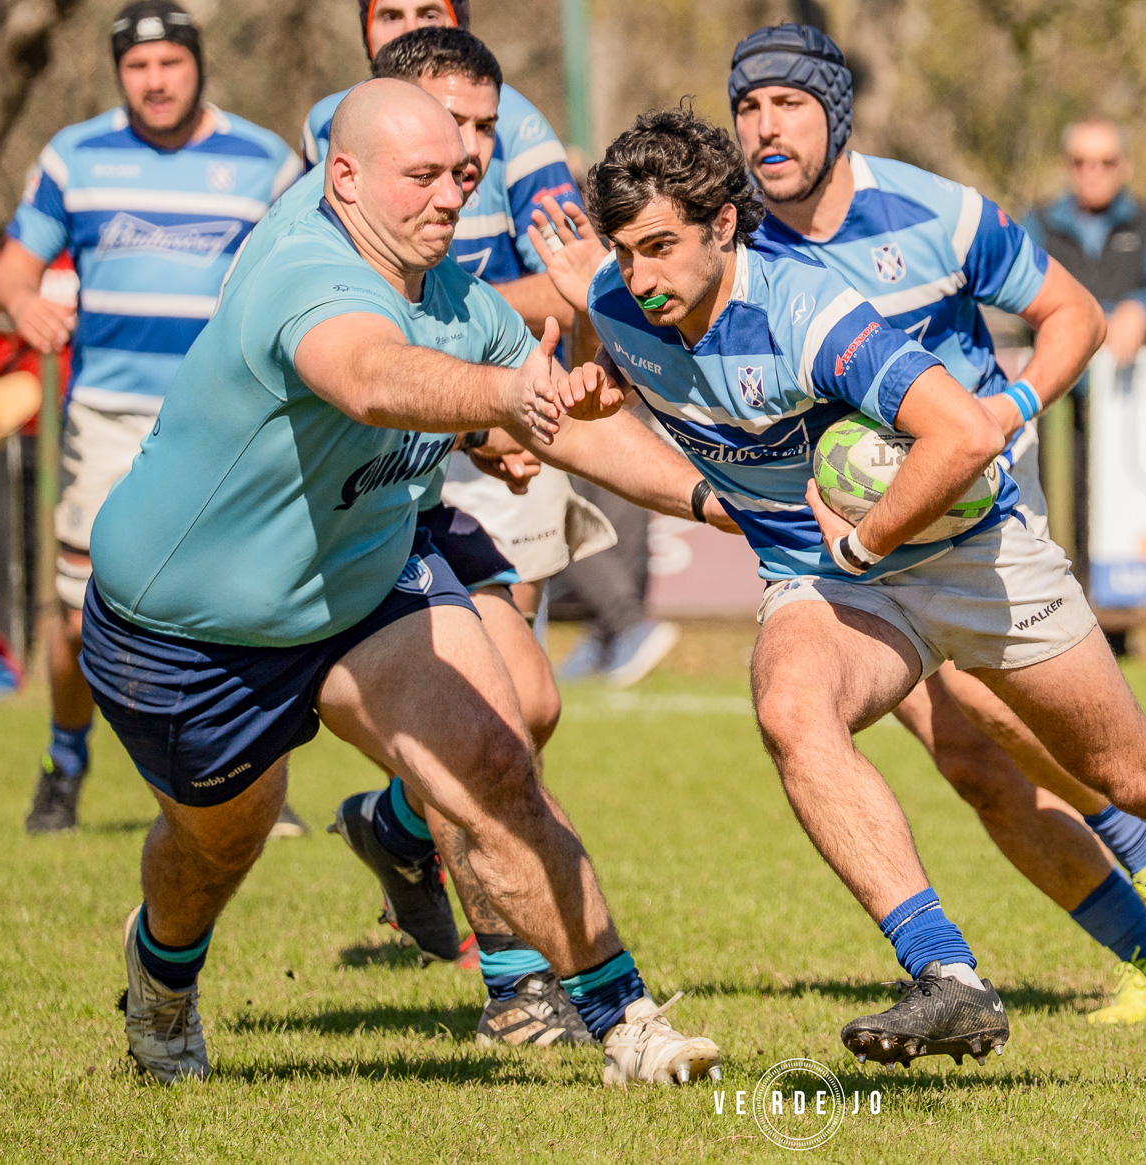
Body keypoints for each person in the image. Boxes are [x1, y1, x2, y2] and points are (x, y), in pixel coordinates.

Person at [534, 105, 1146, 1084]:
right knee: (792, 708)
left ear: (723, 226)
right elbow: (568, 425)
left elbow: (963, 433)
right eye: (624, 252)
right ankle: (947, 975)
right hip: (832, 582)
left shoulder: (810, 316)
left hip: (970, 554)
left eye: (661, 247)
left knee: (1134, 773)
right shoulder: (618, 304)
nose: (640, 276)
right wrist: (636, 450)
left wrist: (873, 530)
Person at [82, 79, 722, 1087]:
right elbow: (372, 377)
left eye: (462, 175)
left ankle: (625, 1020)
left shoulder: (460, 297)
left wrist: (710, 499)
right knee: (218, 847)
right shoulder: (303, 270)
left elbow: (572, 422)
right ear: (344, 180)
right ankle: (162, 973)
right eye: (420, 176)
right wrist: (502, 397)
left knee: (495, 766)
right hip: (189, 633)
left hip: (366, 586)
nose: (449, 195)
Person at [724, 24, 1146, 1024]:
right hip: (843, 533)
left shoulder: (935, 211)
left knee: (989, 713)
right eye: (747, 106)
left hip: (972, 507)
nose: (764, 126)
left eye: (787, 102)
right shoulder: (739, 239)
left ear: (835, 112)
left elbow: (1070, 314)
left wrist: (1014, 408)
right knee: (973, 765)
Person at [307, 25, 733, 1051]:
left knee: (524, 708)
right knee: (481, 728)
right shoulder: (326, 209)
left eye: (483, 132)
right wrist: (484, 403)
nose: (470, 158)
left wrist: (520, 411)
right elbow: (360, 369)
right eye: (451, 131)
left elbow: (577, 281)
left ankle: (399, 829)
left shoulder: (511, 172)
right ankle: (515, 982)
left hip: (446, 468)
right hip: (335, 525)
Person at [0, 0, 304, 834]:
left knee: (247, 605)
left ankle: (253, 781)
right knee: (74, 607)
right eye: (137, 66)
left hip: (228, 422)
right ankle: (64, 760)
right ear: (117, 72)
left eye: (169, 63)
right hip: (107, 414)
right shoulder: (75, 157)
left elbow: (302, 272)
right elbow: (14, 268)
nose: (154, 80)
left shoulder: (266, 163)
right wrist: (24, 305)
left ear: (198, 63)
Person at [1023, 117, 1146, 581]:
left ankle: (1120, 623)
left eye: (1106, 161)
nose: (1093, 171)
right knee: (1051, 504)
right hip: (1052, 395)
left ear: (1125, 166)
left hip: (1125, 397)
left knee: (1117, 503)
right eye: (1081, 161)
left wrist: (1141, 306)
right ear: (1067, 167)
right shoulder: (1039, 223)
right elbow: (1015, 286)